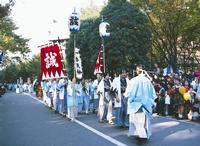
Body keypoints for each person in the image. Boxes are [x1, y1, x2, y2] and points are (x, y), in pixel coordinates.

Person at [125, 64, 157, 140]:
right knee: (144, 120)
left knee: (137, 120)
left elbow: (130, 93)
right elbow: (153, 94)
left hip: (136, 104)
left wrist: (127, 96)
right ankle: (143, 134)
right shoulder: (148, 81)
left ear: (137, 71)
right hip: (146, 104)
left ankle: (141, 135)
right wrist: (151, 102)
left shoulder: (134, 80)